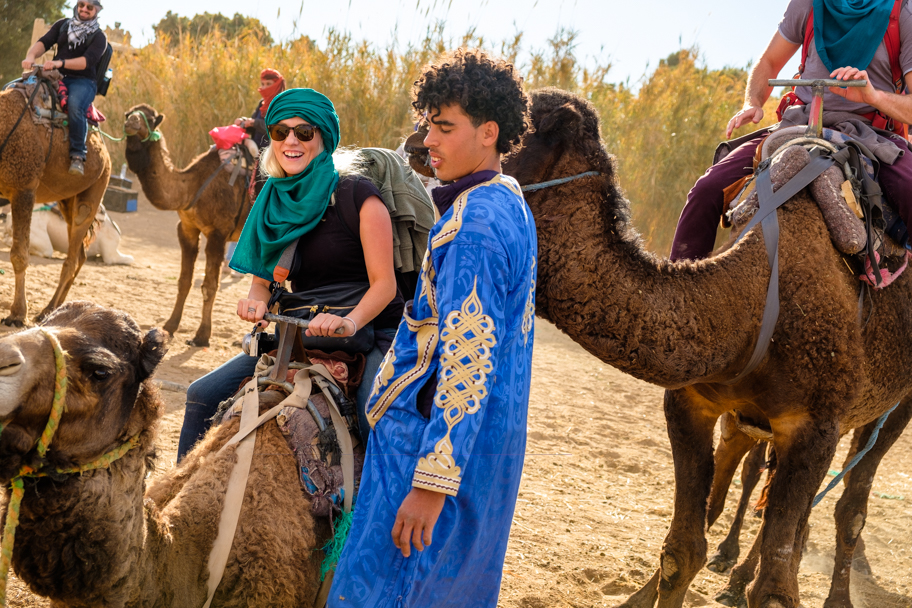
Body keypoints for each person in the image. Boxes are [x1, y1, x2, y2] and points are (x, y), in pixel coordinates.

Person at [328, 49, 537, 608]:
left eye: (445, 128)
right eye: (428, 126)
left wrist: (429, 484)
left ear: (489, 132)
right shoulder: (508, 200)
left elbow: (469, 365)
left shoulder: (475, 228)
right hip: (487, 448)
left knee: (391, 591)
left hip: (429, 449)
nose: (428, 142)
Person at [176, 87, 403, 461]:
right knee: (201, 394)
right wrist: (254, 304)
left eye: (304, 132)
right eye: (281, 132)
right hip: (299, 333)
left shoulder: (358, 195)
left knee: (376, 418)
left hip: (369, 329)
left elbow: (385, 285)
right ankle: (175, 500)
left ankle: (376, 517)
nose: (291, 141)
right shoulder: (273, 199)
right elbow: (262, 285)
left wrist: (349, 321)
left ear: (324, 138)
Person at [670, 0, 912, 262]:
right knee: (705, 191)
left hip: (871, 134)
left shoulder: (902, 13)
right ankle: (677, 295)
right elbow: (769, 62)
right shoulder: (807, 4)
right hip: (799, 124)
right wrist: (752, 103)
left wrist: (873, 96)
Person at [21, 0, 108, 176]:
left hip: (83, 81)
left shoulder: (100, 37)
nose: (84, 9)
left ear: (97, 11)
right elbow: (44, 42)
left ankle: (78, 154)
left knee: (75, 105)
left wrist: (59, 63)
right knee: (19, 89)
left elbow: (86, 62)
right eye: (81, 4)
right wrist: (30, 56)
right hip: (55, 76)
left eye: (89, 7)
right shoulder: (62, 25)